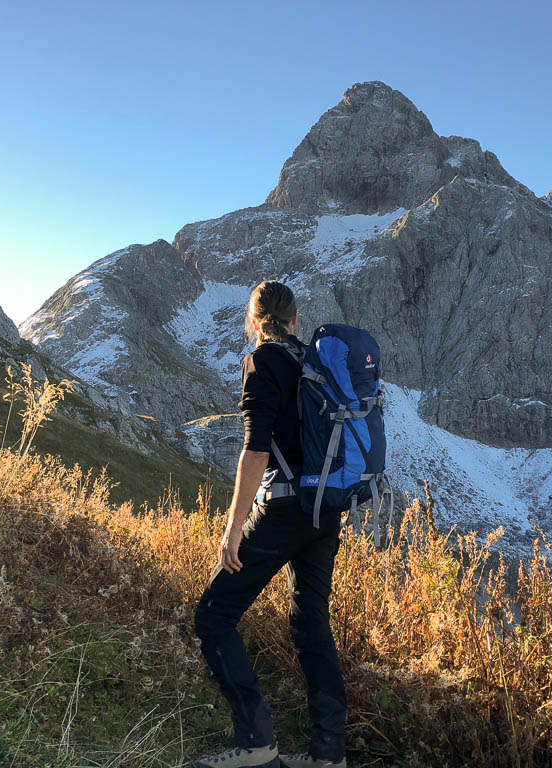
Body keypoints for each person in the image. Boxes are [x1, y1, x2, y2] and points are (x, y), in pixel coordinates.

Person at [192, 281, 348, 768]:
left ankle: (257, 744)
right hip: (325, 511)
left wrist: (233, 527)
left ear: (255, 322)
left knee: (215, 616)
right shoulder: (314, 363)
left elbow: (257, 450)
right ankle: (328, 755)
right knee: (310, 624)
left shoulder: (260, 364)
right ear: (295, 320)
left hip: (282, 512)